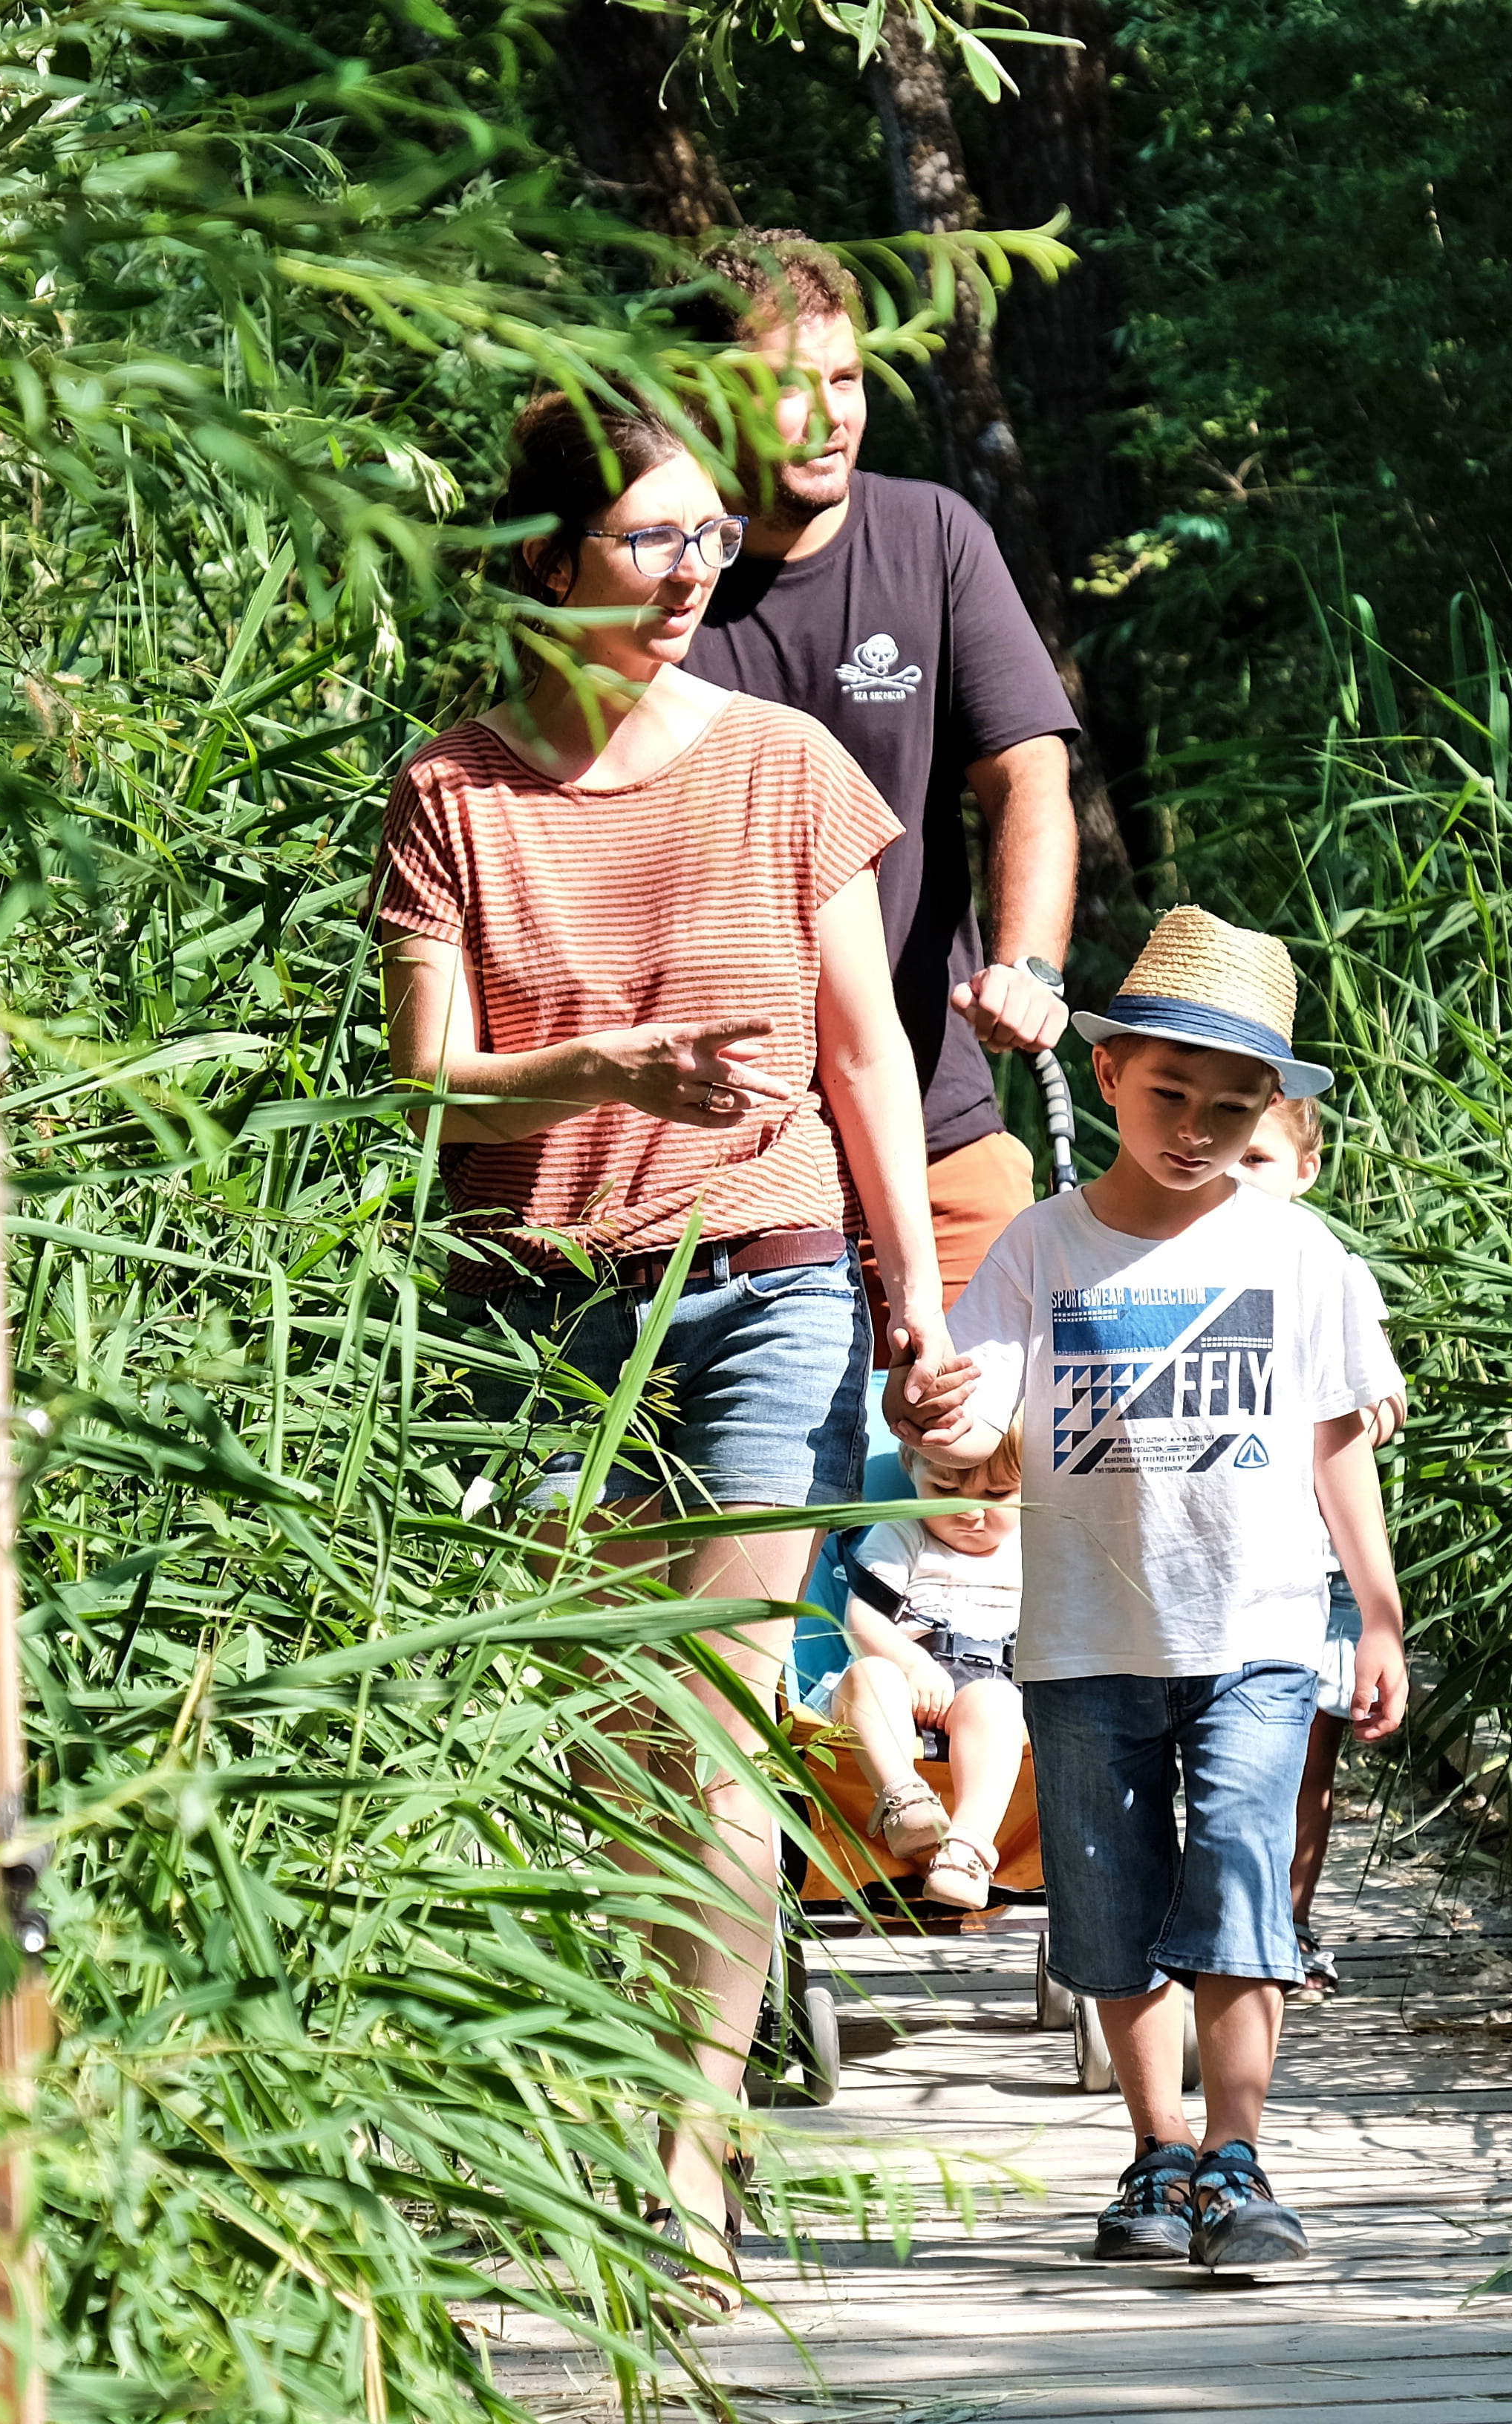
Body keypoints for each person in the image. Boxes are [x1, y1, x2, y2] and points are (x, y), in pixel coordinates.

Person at [376, 390, 954, 2315]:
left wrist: (917, 1300)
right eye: (656, 545)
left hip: (768, 1280)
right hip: (536, 1308)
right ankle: (601, 2090)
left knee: (707, 1732)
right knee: (600, 1740)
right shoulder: (454, 792)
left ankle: (684, 2170)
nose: (699, 576)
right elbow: (429, 1083)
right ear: (546, 565)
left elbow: (865, 1052)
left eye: (713, 543)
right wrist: (606, 1067)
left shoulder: (788, 766)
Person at [887, 908, 1410, 2272]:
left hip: (1257, 1629)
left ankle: (1239, 2159)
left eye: (1232, 1106)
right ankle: (1156, 2148)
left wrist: (1378, 1612)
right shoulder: (1039, 1253)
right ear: (1108, 1074)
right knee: (1108, 1910)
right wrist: (931, 1411)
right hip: (1078, 1637)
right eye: (1168, 1091)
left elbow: (1337, 1440)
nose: (1193, 1126)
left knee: (1242, 1880)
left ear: (1271, 1112)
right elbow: (976, 1423)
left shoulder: (1299, 1256)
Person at [679, 231, 1082, 1309]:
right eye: (785, 389)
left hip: (938, 1125)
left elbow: (1029, 780)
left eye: (847, 380)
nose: (830, 416)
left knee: (988, 1469)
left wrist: (1029, 970)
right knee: (761, 1484)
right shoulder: (656, 583)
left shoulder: (935, 537)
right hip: (728, 1162)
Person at [1231, 1097, 1409, 2000]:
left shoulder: (1327, 1268)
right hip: (1218, 1562)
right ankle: (1212, 1919)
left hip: (1315, 1562)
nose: (1234, 1177)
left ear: (1306, 1170)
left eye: (1257, 1160)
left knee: (1306, 1756)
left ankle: (1285, 1926)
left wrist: (1362, 1411)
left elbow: (1379, 1391)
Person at [828, 1436, 1029, 1909]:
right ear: (911, 1471)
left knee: (998, 1703)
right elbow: (863, 1619)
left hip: (990, 1690)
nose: (970, 1512)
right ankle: (904, 1801)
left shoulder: (1034, 1548)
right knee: (870, 1675)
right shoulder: (903, 1532)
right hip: (905, 1676)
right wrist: (912, 1663)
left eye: (997, 1495)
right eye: (944, 1490)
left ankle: (965, 1850)